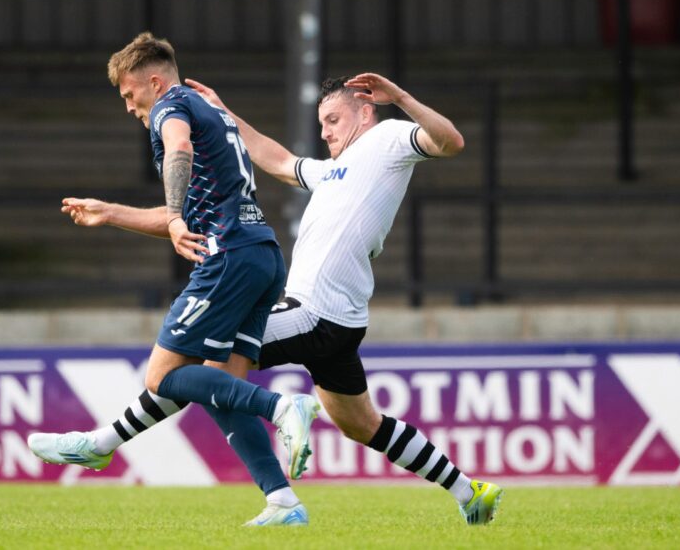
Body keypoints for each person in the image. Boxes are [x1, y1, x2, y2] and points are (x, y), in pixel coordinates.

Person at [56, 71, 503, 526]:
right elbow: (279, 159)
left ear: (366, 112)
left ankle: (104, 444)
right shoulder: (333, 172)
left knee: (199, 370)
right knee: (360, 423)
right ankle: (470, 491)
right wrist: (224, 115)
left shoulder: (388, 139)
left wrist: (402, 98)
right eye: (321, 122)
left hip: (313, 312)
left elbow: (450, 142)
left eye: (333, 119)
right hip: (339, 318)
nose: (325, 131)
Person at [27, 32, 319, 527]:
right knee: (221, 388)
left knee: (162, 376)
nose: (129, 108)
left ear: (153, 82)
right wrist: (111, 212)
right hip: (262, 256)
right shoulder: (213, 114)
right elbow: (183, 211)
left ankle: (282, 406)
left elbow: (177, 152)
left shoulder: (171, 107)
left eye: (129, 95)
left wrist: (178, 215)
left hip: (227, 258)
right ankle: (283, 502)